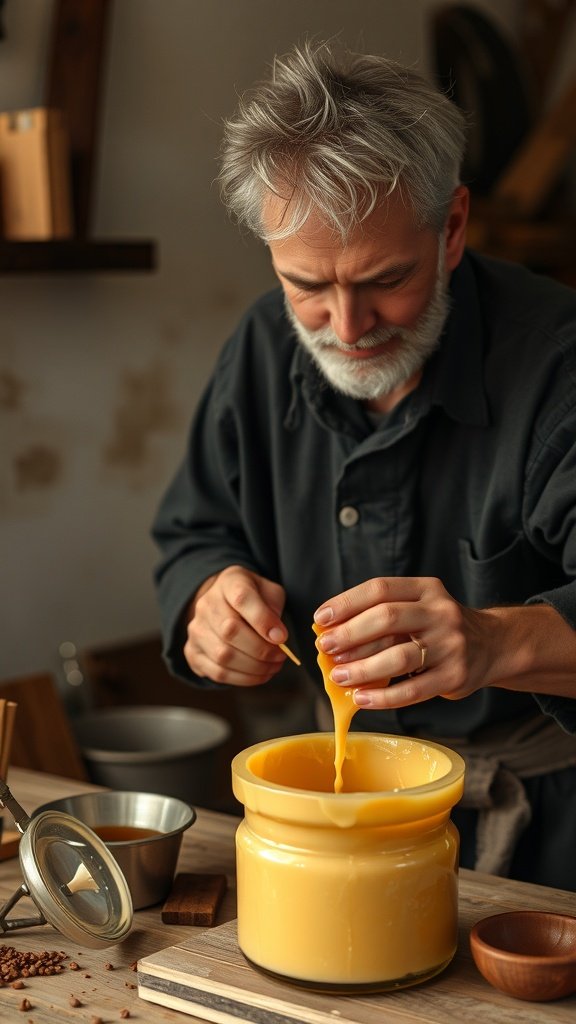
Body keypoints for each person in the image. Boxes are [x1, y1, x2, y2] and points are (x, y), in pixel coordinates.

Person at [152, 40, 576, 890]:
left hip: (548, 837)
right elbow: (196, 530)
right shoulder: (264, 349)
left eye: (386, 279)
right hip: (336, 821)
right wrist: (208, 601)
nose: (346, 328)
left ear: (452, 227)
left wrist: (494, 640)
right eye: (307, 283)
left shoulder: (558, 363)